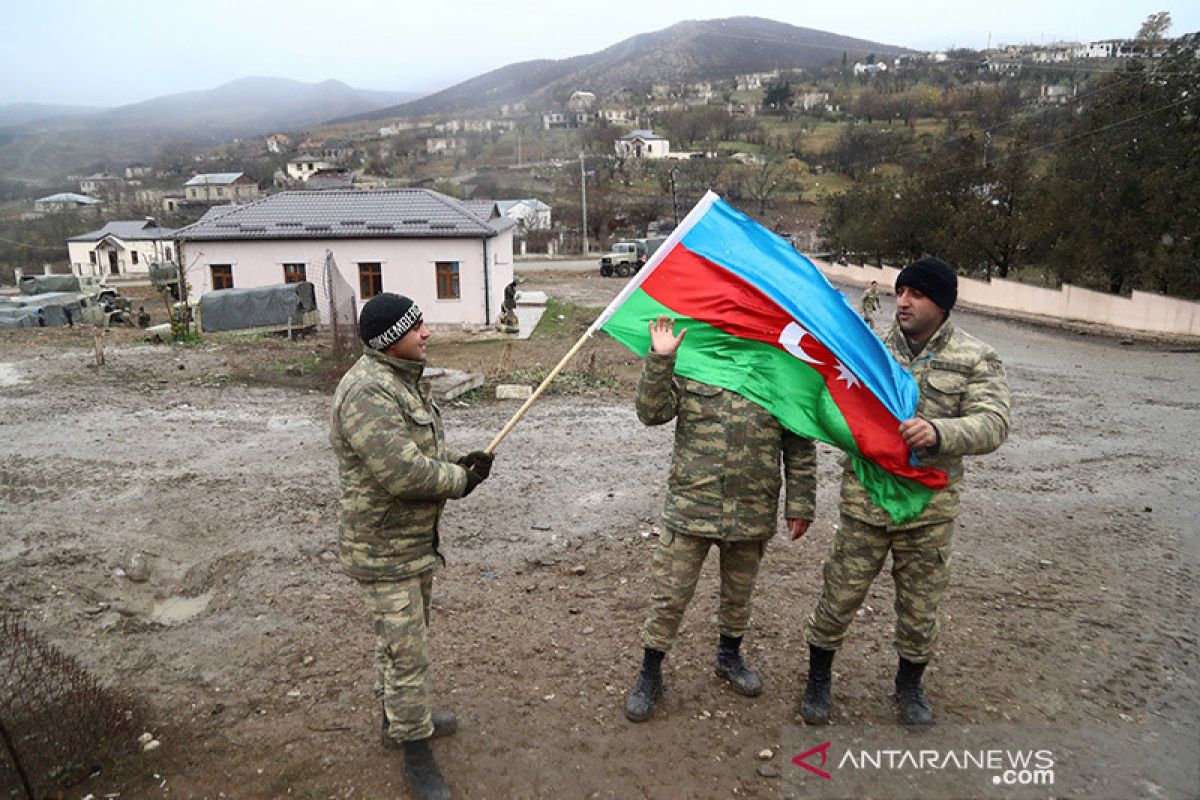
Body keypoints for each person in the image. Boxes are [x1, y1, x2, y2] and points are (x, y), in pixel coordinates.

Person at [799, 257, 1010, 726]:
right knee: (838, 597)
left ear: (943, 303)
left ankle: (909, 685)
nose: (904, 301)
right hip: (866, 505)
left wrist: (940, 432)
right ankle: (818, 677)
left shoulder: (975, 358)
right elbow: (830, 400)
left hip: (928, 512)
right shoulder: (867, 351)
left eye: (917, 293)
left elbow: (994, 424)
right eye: (901, 291)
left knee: (919, 610)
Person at [330, 293, 495, 800]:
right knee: (408, 656)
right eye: (416, 326)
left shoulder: (401, 382)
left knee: (402, 643)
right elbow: (402, 472)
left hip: (412, 544)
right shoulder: (366, 392)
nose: (427, 333)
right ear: (389, 339)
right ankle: (416, 754)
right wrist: (459, 481)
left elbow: (421, 451)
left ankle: (397, 721)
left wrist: (460, 464)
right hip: (383, 553)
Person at [625, 315, 817, 722]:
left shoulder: (778, 367)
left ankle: (729, 657)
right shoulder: (697, 357)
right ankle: (651, 672)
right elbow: (650, 412)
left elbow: (799, 444)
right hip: (692, 507)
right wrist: (661, 359)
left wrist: (801, 503)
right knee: (670, 597)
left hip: (751, 509)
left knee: (738, 595)